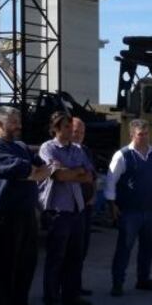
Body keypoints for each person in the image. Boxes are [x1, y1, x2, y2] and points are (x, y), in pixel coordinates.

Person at [0, 106, 51, 305]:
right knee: (4, 267)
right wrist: (31, 173)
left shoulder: (20, 146)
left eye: (18, 121)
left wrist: (32, 172)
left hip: (26, 213)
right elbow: (20, 170)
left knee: (26, 262)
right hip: (4, 215)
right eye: (13, 122)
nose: (18, 125)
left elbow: (42, 166)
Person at [105, 119, 152, 296]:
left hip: (151, 210)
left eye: (146, 134)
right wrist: (112, 205)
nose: (144, 138)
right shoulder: (122, 156)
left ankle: (143, 280)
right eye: (140, 135)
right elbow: (111, 181)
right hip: (129, 211)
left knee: (148, 247)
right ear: (132, 135)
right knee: (124, 247)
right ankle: (117, 283)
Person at [39, 111, 95, 305]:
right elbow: (57, 175)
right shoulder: (48, 148)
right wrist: (74, 171)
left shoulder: (78, 149)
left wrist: (72, 172)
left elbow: (88, 175)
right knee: (56, 256)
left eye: (72, 127)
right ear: (56, 129)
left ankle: (71, 294)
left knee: (75, 254)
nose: (71, 131)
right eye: (66, 127)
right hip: (57, 209)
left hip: (76, 207)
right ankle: (51, 298)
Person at [71, 117, 97, 295]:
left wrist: (94, 195)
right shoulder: (64, 151)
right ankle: (62, 289)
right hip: (70, 207)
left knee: (82, 248)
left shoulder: (86, 150)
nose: (79, 135)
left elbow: (93, 175)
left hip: (86, 206)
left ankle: (76, 285)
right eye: (75, 131)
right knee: (69, 250)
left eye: (81, 132)